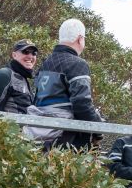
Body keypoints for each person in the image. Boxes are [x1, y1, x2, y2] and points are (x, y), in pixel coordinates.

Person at [29, 18, 103, 150]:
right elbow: (82, 104)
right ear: (80, 39)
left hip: (38, 136)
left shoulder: (46, 62)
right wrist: (98, 128)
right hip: (66, 140)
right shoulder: (77, 64)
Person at [0, 39, 38, 113]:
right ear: (14, 55)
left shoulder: (23, 79)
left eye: (34, 53)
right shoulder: (4, 75)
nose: (30, 56)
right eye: (26, 52)